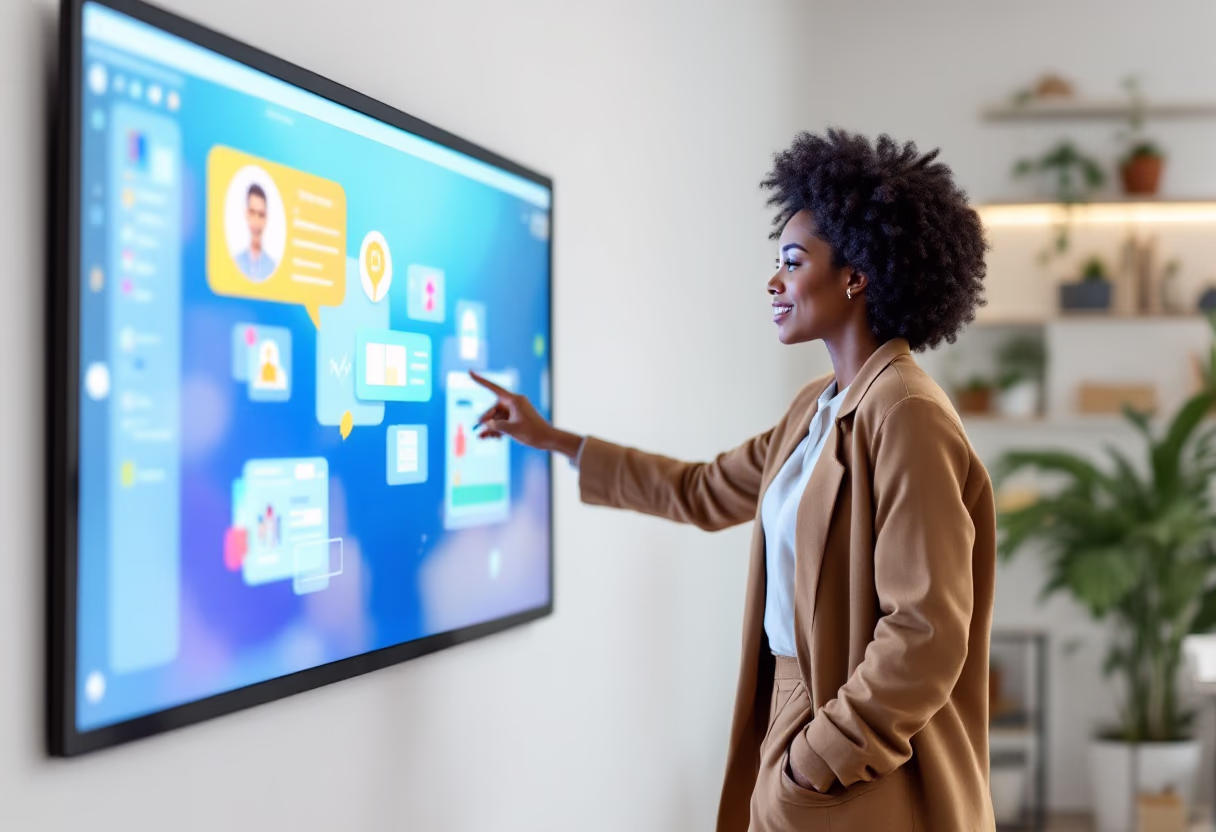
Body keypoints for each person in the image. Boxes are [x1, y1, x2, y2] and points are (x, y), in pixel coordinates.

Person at [470, 129, 995, 832]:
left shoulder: (905, 413)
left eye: (791, 261)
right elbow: (700, 490)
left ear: (856, 274)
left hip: (856, 751)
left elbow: (927, 630)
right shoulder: (816, 407)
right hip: (793, 716)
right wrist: (551, 438)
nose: (773, 281)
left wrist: (817, 759)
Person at [234, 183, 276, 282]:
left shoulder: (273, 268)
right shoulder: (235, 262)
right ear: (247, 214)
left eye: (261, 215)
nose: (256, 221)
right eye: (252, 213)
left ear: (266, 219)